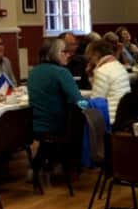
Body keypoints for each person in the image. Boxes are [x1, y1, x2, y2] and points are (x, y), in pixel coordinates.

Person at [27, 39, 84, 183]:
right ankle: (74, 167)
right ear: (54, 54)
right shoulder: (61, 72)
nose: (68, 55)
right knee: (84, 120)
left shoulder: (33, 72)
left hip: (36, 124)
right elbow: (77, 100)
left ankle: (40, 164)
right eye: (64, 52)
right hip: (57, 125)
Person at [86, 40, 131, 123]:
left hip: (109, 118)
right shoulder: (118, 65)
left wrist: (79, 102)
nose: (88, 58)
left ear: (96, 54)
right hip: (122, 116)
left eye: (89, 55)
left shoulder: (102, 70)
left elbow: (96, 102)